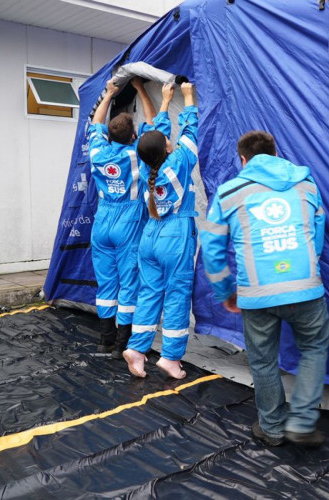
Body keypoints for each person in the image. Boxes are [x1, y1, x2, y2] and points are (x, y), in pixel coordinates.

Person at [200, 131, 329, 448]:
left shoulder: (230, 191)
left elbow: (211, 246)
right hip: (306, 288)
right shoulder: (306, 184)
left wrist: (225, 292)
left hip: (256, 293)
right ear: (274, 154)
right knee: (313, 349)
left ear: (243, 160)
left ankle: (271, 429)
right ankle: (301, 422)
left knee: (262, 361)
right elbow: (318, 232)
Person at [122, 82, 199, 380]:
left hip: (150, 235)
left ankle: (137, 349)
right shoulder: (178, 162)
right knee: (177, 295)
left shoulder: (145, 165)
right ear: (166, 146)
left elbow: (151, 136)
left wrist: (166, 101)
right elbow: (191, 130)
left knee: (150, 292)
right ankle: (170, 358)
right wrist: (188, 95)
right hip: (176, 235)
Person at [88, 77, 164, 359]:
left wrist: (108, 95)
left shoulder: (97, 151)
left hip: (102, 222)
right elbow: (155, 127)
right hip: (127, 223)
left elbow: (96, 124)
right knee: (128, 282)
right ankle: (123, 344)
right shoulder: (136, 153)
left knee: (106, 283)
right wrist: (142, 90)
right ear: (133, 137)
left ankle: (104, 341)